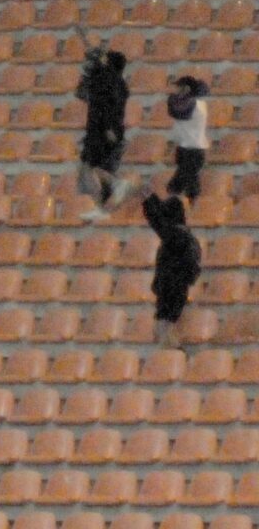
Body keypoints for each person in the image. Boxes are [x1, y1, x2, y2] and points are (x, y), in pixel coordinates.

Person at [76, 47, 133, 221]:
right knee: (94, 169)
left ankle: (117, 183)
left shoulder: (110, 82)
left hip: (102, 131)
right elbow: (83, 94)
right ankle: (102, 208)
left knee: (93, 168)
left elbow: (107, 106)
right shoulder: (116, 82)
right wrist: (91, 74)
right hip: (101, 130)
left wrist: (108, 128)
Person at [143, 192, 202, 348]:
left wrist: (148, 200)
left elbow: (157, 221)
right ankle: (173, 355)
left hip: (173, 290)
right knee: (161, 329)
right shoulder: (181, 235)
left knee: (164, 329)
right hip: (171, 290)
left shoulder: (177, 235)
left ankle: (177, 356)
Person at [166, 75, 210, 204]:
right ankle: (188, 204)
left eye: (179, 87)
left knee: (182, 185)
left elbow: (178, 110)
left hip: (193, 150)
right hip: (184, 148)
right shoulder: (192, 103)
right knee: (187, 183)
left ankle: (190, 206)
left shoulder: (196, 105)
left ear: (186, 89)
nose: (176, 91)